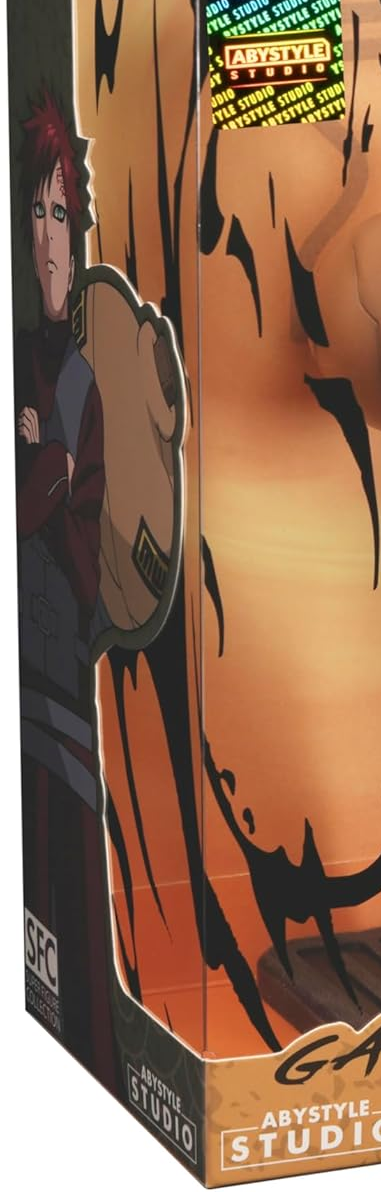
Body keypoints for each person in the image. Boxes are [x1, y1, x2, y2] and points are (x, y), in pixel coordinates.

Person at [15, 89, 113, 1085]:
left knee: (74, 862)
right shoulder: (34, 363)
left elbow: (58, 490)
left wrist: (49, 466)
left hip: (70, 664)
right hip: (34, 659)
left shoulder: (78, 372)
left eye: (61, 217)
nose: (50, 243)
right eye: (35, 215)